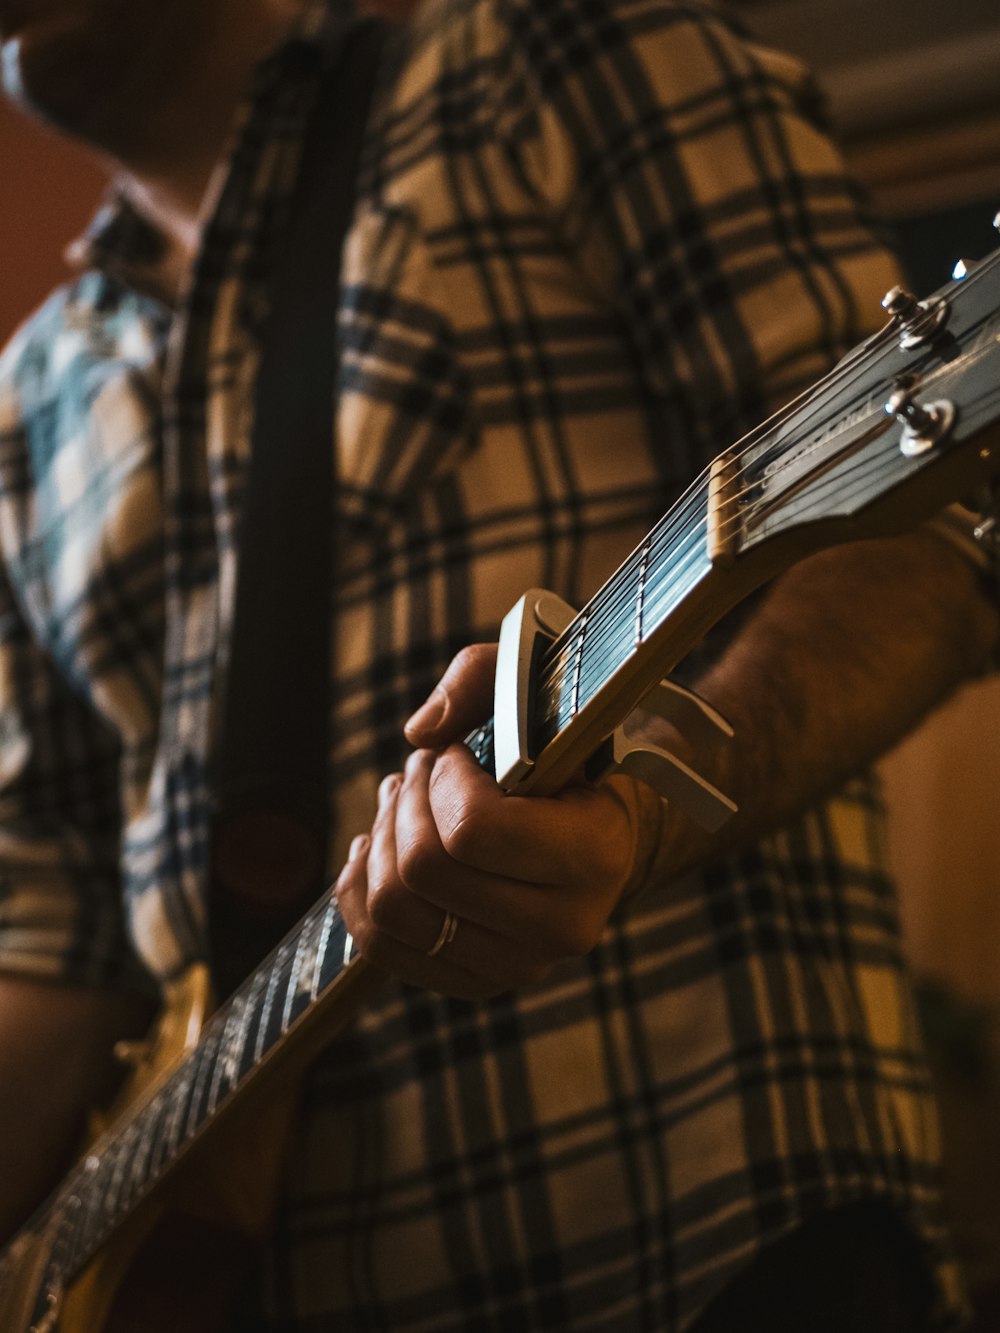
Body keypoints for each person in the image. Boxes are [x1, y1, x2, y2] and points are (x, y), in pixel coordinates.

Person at [0, 0, 996, 1328]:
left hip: (710, 1255)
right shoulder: (28, 400)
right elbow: (48, 940)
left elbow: (921, 545)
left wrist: (640, 816)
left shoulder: (553, 47)